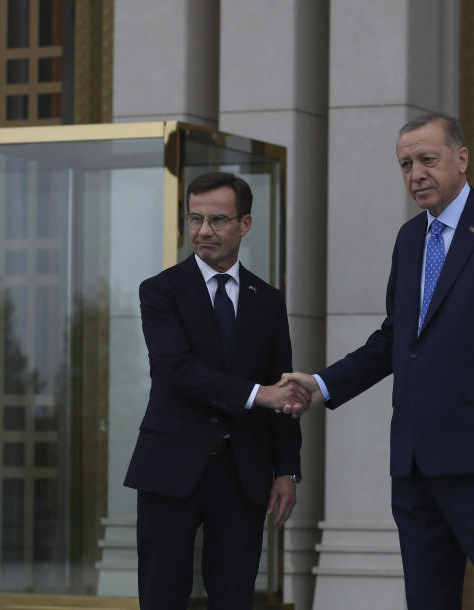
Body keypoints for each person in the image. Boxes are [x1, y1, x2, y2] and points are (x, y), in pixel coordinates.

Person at [282, 113, 474, 609]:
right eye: (406, 164)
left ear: (461, 159)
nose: (416, 174)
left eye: (428, 159)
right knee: (427, 599)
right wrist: (322, 384)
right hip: (414, 462)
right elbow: (396, 338)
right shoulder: (410, 239)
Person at [124, 171, 307, 610]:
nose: (203, 231)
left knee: (234, 597)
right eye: (195, 218)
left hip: (243, 474)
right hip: (170, 467)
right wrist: (257, 395)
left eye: (218, 220)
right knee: (162, 595)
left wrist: (287, 469)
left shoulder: (267, 299)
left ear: (245, 224)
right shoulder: (160, 291)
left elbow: (283, 385)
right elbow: (177, 372)